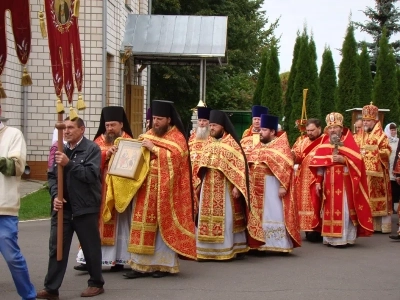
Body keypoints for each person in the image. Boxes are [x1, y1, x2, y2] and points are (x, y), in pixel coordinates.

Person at [123, 100, 196, 279]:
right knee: (141, 226)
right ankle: (139, 265)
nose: (155, 122)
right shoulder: (149, 133)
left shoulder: (177, 137)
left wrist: (154, 148)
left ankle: (162, 266)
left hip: (166, 192)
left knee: (161, 228)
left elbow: (177, 159)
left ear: (169, 120)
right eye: (154, 118)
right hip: (145, 190)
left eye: (159, 119)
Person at [37, 117, 104, 299]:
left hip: (85, 207)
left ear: (82, 130)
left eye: (71, 128)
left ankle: (96, 283)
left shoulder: (91, 149)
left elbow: (91, 175)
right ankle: (51, 288)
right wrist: (55, 196)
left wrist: (70, 164)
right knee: (56, 248)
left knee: (90, 247)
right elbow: (52, 176)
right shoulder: (60, 149)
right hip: (63, 209)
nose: (66, 131)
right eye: (64, 128)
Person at [74, 106, 133, 272]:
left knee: (120, 225)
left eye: (113, 125)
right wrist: (107, 154)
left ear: (121, 124)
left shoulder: (129, 141)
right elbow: (89, 160)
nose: (110, 129)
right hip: (101, 190)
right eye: (107, 125)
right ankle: (88, 260)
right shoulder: (98, 142)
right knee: (95, 224)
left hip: (120, 192)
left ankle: (119, 259)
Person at [309, 112, 373, 247]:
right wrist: (318, 181)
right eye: (330, 128)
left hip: (344, 182)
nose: (333, 130)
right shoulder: (324, 143)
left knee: (344, 210)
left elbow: (359, 162)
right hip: (328, 182)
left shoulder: (349, 142)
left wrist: (344, 160)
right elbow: (319, 166)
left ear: (341, 127)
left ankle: (344, 237)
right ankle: (329, 238)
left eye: (335, 127)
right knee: (328, 209)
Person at [193, 110, 249, 260]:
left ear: (222, 127)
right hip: (207, 186)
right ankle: (205, 251)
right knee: (205, 217)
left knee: (227, 219)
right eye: (210, 125)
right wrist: (197, 185)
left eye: (214, 125)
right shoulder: (208, 143)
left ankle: (225, 249)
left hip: (225, 187)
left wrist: (238, 186)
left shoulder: (232, 143)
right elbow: (201, 166)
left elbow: (240, 167)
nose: (211, 128)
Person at [247, 114, 301, 252]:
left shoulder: (281, 147)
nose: (260, 133)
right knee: (258, 215)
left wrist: (283, 186)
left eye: (264, 130)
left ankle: (276, 244)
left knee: (273, 214)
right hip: (256, 187)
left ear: (272, 132)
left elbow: (286, 167)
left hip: (272, 185)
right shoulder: (258, 146)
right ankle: (258, 242)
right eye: (260, 130)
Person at [0, 105, 36, 300]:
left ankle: (28, 296)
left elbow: (16, 166)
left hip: (3, 208)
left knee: (12, 258)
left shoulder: (13, 134)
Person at [354, 103, 392, 233]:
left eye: (368, 121)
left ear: (374, 120)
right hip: (363, 172)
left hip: (378, 174)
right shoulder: (359, 135)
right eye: (364, 120)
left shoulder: (381, 136)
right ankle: (370, 224)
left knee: (378, 197)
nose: (365, 123)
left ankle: (383, 226)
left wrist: (370, 152)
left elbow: (386, 152)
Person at [291, 118, 324, 242]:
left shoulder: (325, 141)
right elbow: (298, 155)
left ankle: (318, 230)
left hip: (318, 179)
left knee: (316, 204)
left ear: (319, 129)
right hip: (303, 178)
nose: (309, 133)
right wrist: (293, 155)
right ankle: (308, 230)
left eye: (312, 130)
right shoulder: (303, 141)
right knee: (304, 206)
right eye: (308, 130)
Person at [189, 107, 211, 173]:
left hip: (205, 170)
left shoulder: (212, 137)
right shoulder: (192, 136)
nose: (201, 123)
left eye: (204, 120)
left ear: (209, 122)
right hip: (191, 170)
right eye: (200, 120)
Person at [384, 123, 400, 212]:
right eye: (391, 130)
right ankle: (390, 205)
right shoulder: (385, 141)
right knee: (390, 187)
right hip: (389, 166)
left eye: (394, 130)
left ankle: (397, 206)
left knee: (397, 187)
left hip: (397, 165)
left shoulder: (398, 140)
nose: (393, 132)